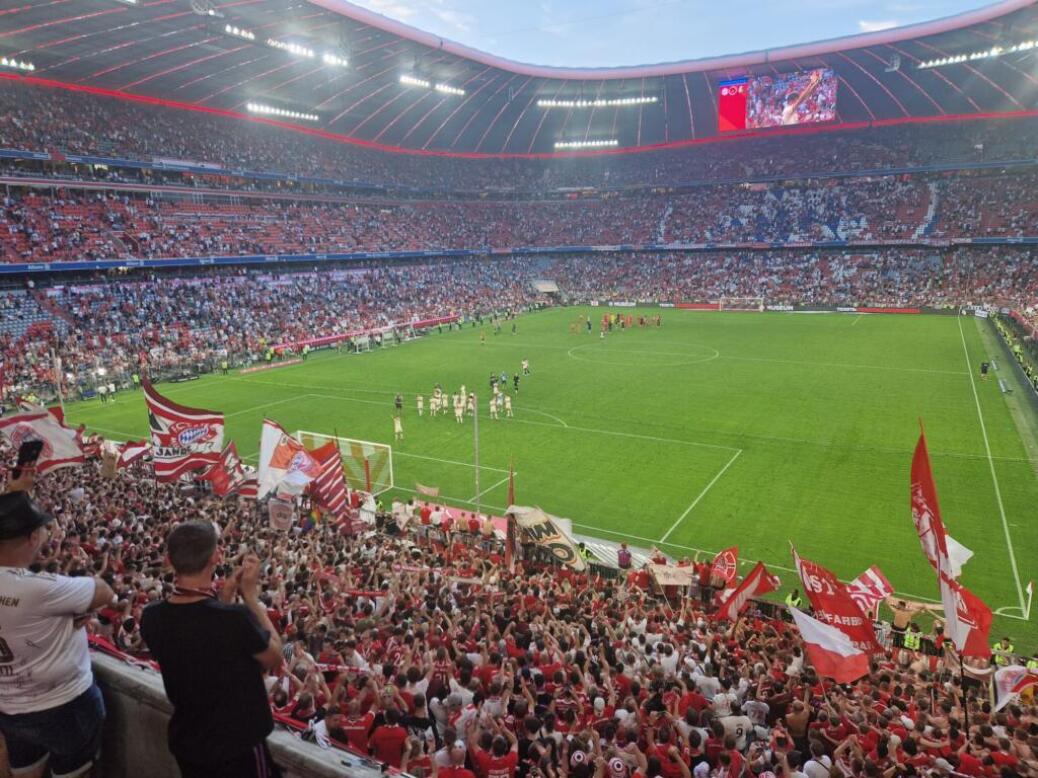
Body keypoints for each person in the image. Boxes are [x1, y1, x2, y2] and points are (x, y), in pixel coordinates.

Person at [140, 521, 284, 778]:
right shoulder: (235, 618)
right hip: (237, 748)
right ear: (216, 557)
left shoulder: (151, 617)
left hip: (189, 741)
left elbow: (200, 634)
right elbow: (274, 655)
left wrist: (225, 598)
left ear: (168, 560)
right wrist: (250, 596)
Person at [0, 472, 115, 778]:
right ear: (33, 538)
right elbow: (104, 591)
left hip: (9, 709)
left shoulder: (38, 591)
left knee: (25, 772)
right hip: (65, 707)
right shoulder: (40, 590)